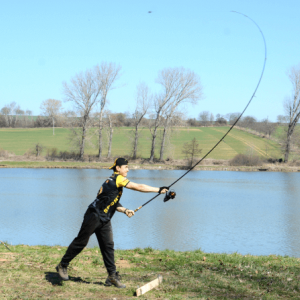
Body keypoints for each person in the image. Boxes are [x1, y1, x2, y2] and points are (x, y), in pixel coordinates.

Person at [56, 157, 168, 288]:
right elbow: (138, 186)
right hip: (93, 215)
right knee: (81, 241)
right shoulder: (118, 178)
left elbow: (111, 201)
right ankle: (62, 265)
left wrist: (125, 210)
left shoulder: (112, 182)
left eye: (127, 167)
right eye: (125, 167)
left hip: (104, 218)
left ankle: (112, 277)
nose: (128, 169)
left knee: (108, 247)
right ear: (118, 168)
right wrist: (158, 189)